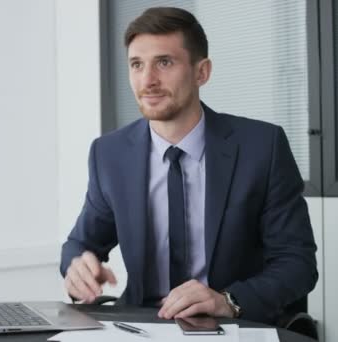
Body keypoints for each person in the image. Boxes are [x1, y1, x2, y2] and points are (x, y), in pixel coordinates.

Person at [60, 6, 317, 324]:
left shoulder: (262, 148)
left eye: (164, 63)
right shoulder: (110, 154)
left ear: (202, 72)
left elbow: (297, 264)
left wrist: (227, 301)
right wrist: (78, 267)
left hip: (228, 322)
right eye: (137, 65)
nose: (148, 80)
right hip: (142, 323)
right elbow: (81, 243)